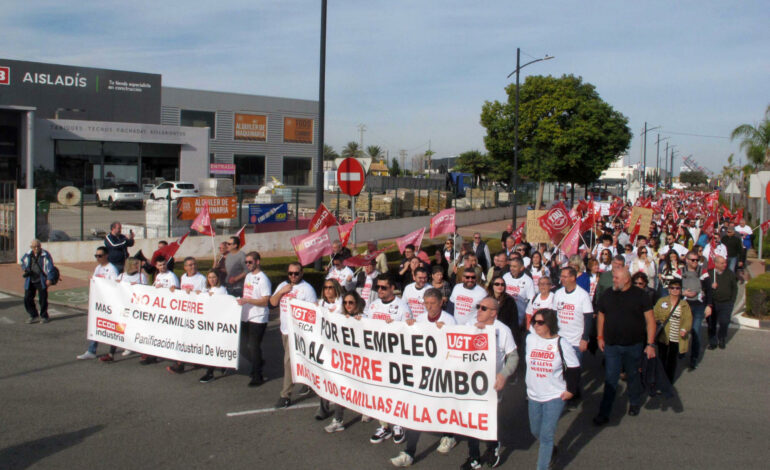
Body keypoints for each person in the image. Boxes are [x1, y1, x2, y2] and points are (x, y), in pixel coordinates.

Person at [390, 288, 458, 467]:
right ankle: (408, 452)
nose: (429, 307)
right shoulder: (420, 319)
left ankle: (449, 435)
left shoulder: (449, 320)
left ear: (441, 302)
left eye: (432, 303)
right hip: (423, 373)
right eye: (426, 303)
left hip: (442, 372)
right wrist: (406, 325)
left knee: (444, 406)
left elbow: (455, 346)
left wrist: (447, 332)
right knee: (417, 410)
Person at [594, 268, 656, 425]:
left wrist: (650, 344)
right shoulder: (608, 294)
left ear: (626, 280)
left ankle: (634, 402)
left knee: (633, 375)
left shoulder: (641, 296)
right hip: (612, 345)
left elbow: (650, 320)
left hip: (633, 345)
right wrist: (600, 336)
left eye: (616, 278)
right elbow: (601, 314)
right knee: (610, 379)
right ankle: (604, 412)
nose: (613, 280)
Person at [461, 297, 518, 470]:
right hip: (469, 382)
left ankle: (493, 448)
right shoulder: (469, 325)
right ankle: (473, 456)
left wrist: (503, 375)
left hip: (492, 384)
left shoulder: (503, 330)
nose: (478, 310)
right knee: (471, 420)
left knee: (487, 420)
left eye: (484, 308)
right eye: (478, 307)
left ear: (494, 312)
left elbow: (513, 357)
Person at [526, 309, 580, 470]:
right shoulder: (530, 339)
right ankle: (551, 450)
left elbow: (574, 368)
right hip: (533, 395)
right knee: (536, 431)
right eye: (534, 321)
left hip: (555, 396)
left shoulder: (561, 343)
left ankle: (542, 466)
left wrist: (571, 390)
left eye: (540, 322)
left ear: (550, 324)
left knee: (547, 435)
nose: (536, 325)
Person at [365, 274, 410, 445]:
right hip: (377, 357)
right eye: (378, 287)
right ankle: (384, 426)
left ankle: (398, 424)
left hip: (395, 358)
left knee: (395, 392)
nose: (380, 290)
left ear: (392, 288)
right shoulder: (374, 305)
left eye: (384, 287)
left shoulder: (402, 307)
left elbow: (409, 332)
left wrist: (396, 328)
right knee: (379, 392)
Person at [270, 262, 317, 407]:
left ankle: (285, 395)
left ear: (301, 273)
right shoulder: (283, 285)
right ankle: (309, 381)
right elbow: (272, 302)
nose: (293, 276)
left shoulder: (307, 289)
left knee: (288, 362)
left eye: (296, 273)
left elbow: (314, 311)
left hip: (298, 332)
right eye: (290, 273)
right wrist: (282, 291)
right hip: (284, 329)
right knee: (298, 361)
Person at [324, 290, 367, 434]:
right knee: (341, 388)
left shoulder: (365, 318)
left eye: (351, 302)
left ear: (357, 303)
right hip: (344, 360)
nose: (348, 305)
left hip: (361, 360)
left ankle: (367, 410)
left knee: (363, 388)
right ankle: (338, 420)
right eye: (345, 303)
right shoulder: (340, 317)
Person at [100, 257, 148, 361]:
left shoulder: (141, 276)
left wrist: (137, 287)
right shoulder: (121, 276)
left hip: (136, 308)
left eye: (138, 264)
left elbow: (146, 292)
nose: (137, 266)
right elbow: (115, 289)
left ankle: (144, 353)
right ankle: (111, 354)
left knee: (139, 330)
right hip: (123, 307)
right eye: (135, 264)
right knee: (118, 329)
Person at [166, 257, 208, 374]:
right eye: (189, 265)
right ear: (185, 267)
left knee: (192, 339)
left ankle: (186, 362)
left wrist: (196, 294)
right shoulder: (183, 277)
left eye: (194, 264)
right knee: (183, 338)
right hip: (184, 312)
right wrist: (175, 289)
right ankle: (181, 363)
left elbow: (205, 295)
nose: (192, 267)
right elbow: (181, 293)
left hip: (196, 313)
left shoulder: (201, 279)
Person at [77, 247, 119, 360]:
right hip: (99, 302)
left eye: (100, 256)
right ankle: (92, 350)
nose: (98, 258)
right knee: (96, 324)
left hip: (109, 302)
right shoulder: (98, 268)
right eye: (96, 256)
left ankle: (113, 351)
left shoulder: (112, 269)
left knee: (111, 326)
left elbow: (115, 285)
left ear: (106, 256)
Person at [236, 252, 271, 387]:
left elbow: (265, 301)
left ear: (257, 262)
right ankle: (258, 362)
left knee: (254, 346)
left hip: (258, 317)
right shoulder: (248, 276)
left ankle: (258, 375)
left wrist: (248, 300)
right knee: (242, 345)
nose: (248, 265)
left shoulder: (263, 279)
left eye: (250, 262)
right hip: (246, 315)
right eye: (246, 262)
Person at [677, 250, 712, 370]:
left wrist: (709, 305)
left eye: (697, 260)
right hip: (684, 305)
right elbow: (672, 288)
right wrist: (682, 292)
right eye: (693, 260)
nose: (695, 262)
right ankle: (681, 351)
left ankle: (694, 358)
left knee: (696, 331)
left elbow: (709, 289)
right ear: (687, 260)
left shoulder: (703, 272)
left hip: (698, 305)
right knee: (682, 330)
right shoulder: (680, 272)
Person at [653, 279, 692, 384]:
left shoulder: (684, 304)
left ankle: (668, 381)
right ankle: (660, 379)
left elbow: (688, 319)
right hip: (663, 335)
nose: (675, 290)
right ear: (669, 289)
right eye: (672, 288)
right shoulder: (662, 301)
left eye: (677, 288)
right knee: (661, 358)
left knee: (672, 359)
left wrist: (684, 329)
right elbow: (654, 314)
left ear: (680, 290)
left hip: (676, 336)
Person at [553, 267, 593, 363]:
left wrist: (584, 339)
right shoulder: (558, 293)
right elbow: (554, 315)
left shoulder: (583, 295)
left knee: (574, 372)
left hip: (576, 342)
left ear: (573, 278)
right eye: (561, 276)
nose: (561, 279)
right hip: (560, 339)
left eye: (564, 277)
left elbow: (588, 318)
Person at [199, 270, 231, 383]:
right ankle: (223, 365)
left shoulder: (220, 290)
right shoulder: (208, 289)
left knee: (212, 347)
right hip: (208, 322)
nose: (212, 279)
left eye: (214, 277)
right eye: (209, 277)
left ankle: (210, 372)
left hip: (217, 323)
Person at [20, 239, 56, 324]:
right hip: (30, 280)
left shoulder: (45, 255)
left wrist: (49, 279)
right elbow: (23, 262)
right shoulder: (28, 254)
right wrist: (25, 269)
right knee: (27, 298)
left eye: (38, 246)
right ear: (31, 247)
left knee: (43, 299)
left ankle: (44, 316)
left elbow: (50, 267)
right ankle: (33, 315)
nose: (36, 248)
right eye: (34, 246)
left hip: (41, 280)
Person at [706, 256, 737, 350]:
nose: (725, 265)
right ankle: (713, 341)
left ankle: (722, 338)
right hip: (713, 302)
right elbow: (704, 287)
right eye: (722, 263)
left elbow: (734, 288)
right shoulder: (710, 274)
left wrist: (732, 300)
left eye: (725, 263)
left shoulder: (730, 274)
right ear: (716, 264)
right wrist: (710, 286)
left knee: (724, 322)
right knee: (711, 323)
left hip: (726, 303)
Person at [487, 274, 520, 346]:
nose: (500, 286)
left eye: (502, 285)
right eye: (497, 284)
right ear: (492, 285)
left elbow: (514, 322)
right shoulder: (486, 300)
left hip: (504, 335)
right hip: (489, 334)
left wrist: (514, 341)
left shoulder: (509, 301)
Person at [502, 257, 534, 326]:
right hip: (505, 316)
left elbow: (531, 301)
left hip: (519, 319)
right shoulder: (505, 277)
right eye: (511, 266)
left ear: (521, 268)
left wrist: (526, 319)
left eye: (514, 266)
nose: (511, 269)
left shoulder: (528, 281)